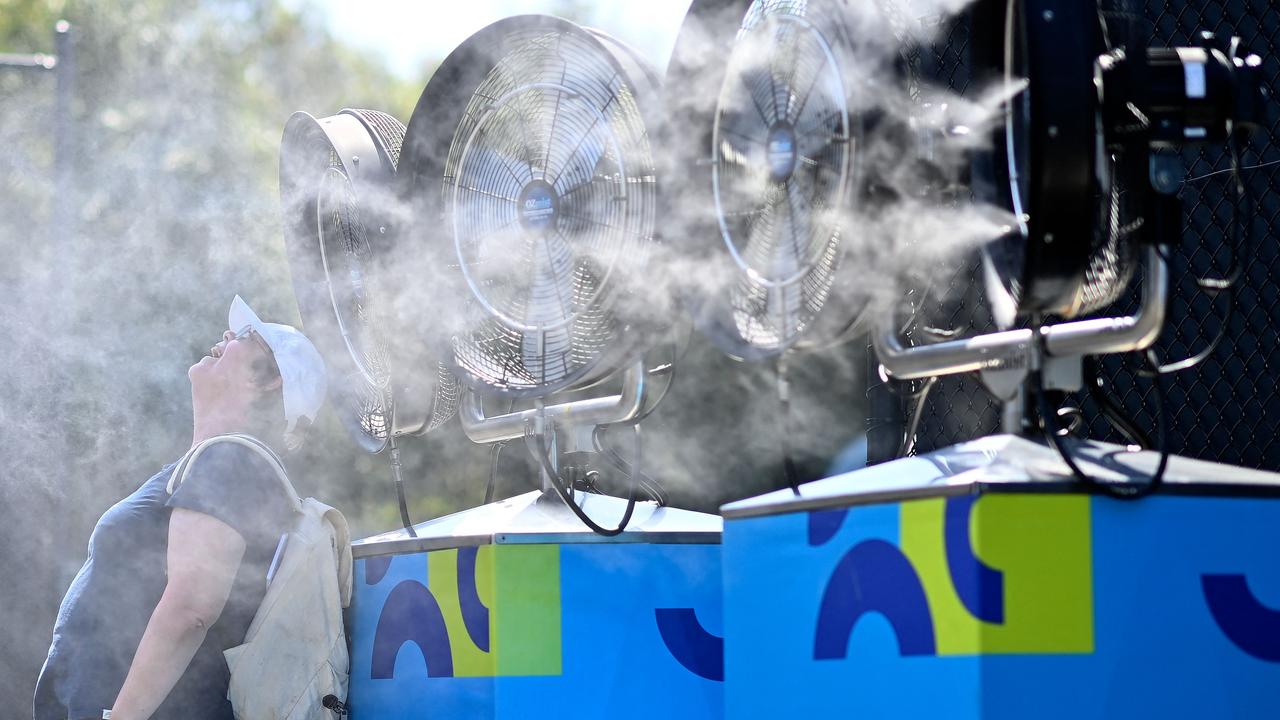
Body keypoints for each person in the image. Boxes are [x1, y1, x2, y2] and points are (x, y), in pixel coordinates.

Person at [34, 296, 327, 720]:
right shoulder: (209, 463)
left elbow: (191, 608)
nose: (226, 335)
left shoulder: (231, 462)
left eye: (245, 336)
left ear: (267, 381)